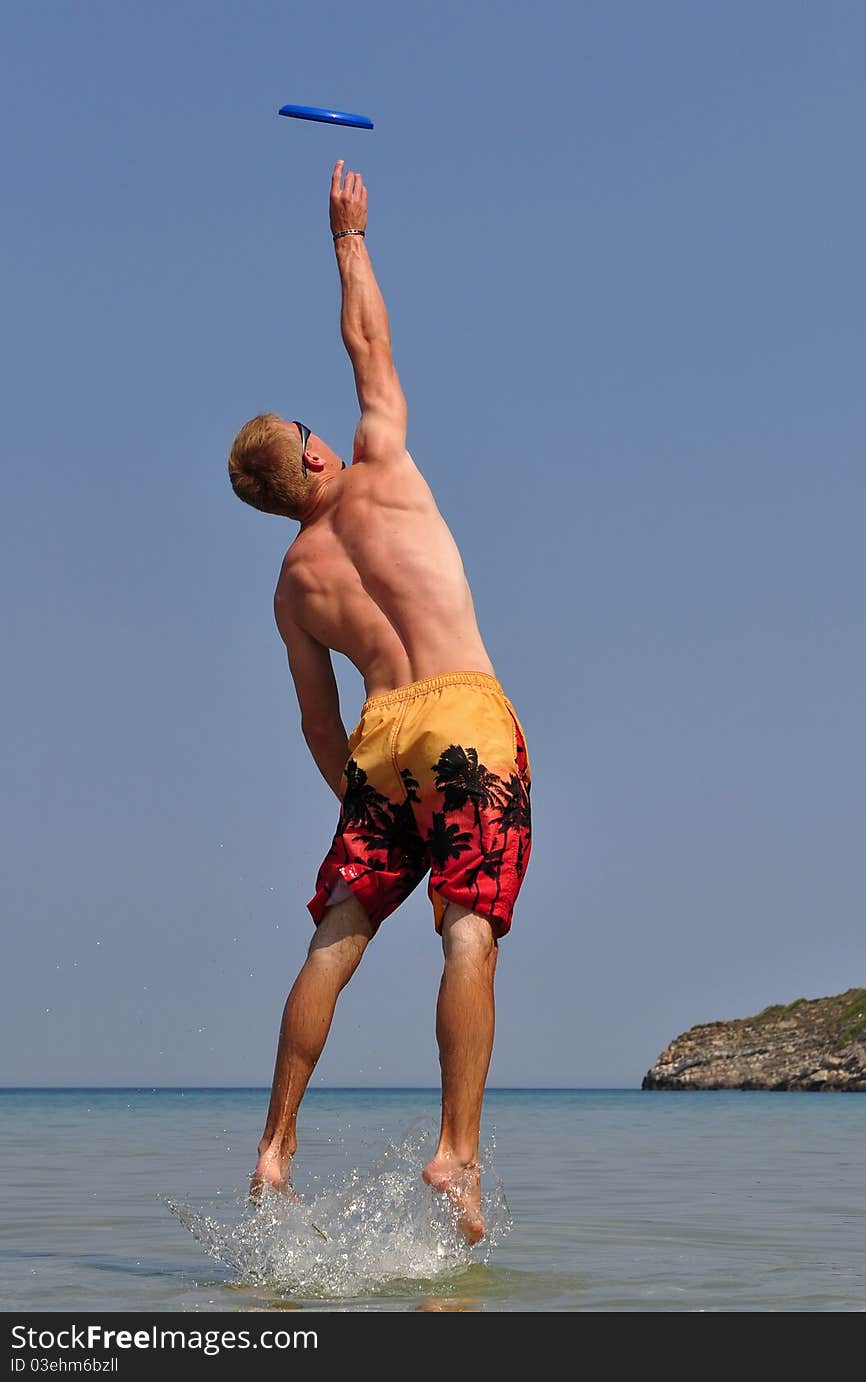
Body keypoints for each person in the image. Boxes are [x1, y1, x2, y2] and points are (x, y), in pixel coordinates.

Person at [227, 161, 532, 1243]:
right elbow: (369, 346)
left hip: (377, 748)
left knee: (333, 939)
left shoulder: (291, 588)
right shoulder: (380, 462)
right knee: (468, 933)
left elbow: (318, 721)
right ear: (313, 450)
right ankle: (455, 1151)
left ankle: (273, 1145)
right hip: (462, 717)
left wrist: (364, 806)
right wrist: (348, 238)